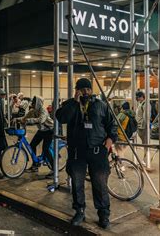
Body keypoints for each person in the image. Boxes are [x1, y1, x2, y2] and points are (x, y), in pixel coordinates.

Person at [55, 78, 117, 229]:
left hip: (97, 151)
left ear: (91, 90)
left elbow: (112, 125)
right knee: (77, 183)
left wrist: (109, 141)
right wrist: (74, 102)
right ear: (77, 91)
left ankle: (103, 214)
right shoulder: (70, 105)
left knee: (100, 183)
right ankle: (79, 211)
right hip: (77, 152)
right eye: (82, 89)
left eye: (87, 89)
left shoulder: (101, 105)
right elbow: (61, 118)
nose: (85, 92)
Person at [19, 96, 54, 174]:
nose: (33, 104)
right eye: (33, 102)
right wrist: (17, 119)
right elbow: (25, 117)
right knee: (32, 145)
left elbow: (41, 120)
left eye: (34, 102)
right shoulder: (32, 111)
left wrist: (28, 120)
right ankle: (35, 165)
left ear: (38, 103)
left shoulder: (43, 111)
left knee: (45, 149)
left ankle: (54, 169)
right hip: (41, 130)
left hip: (49, 130)